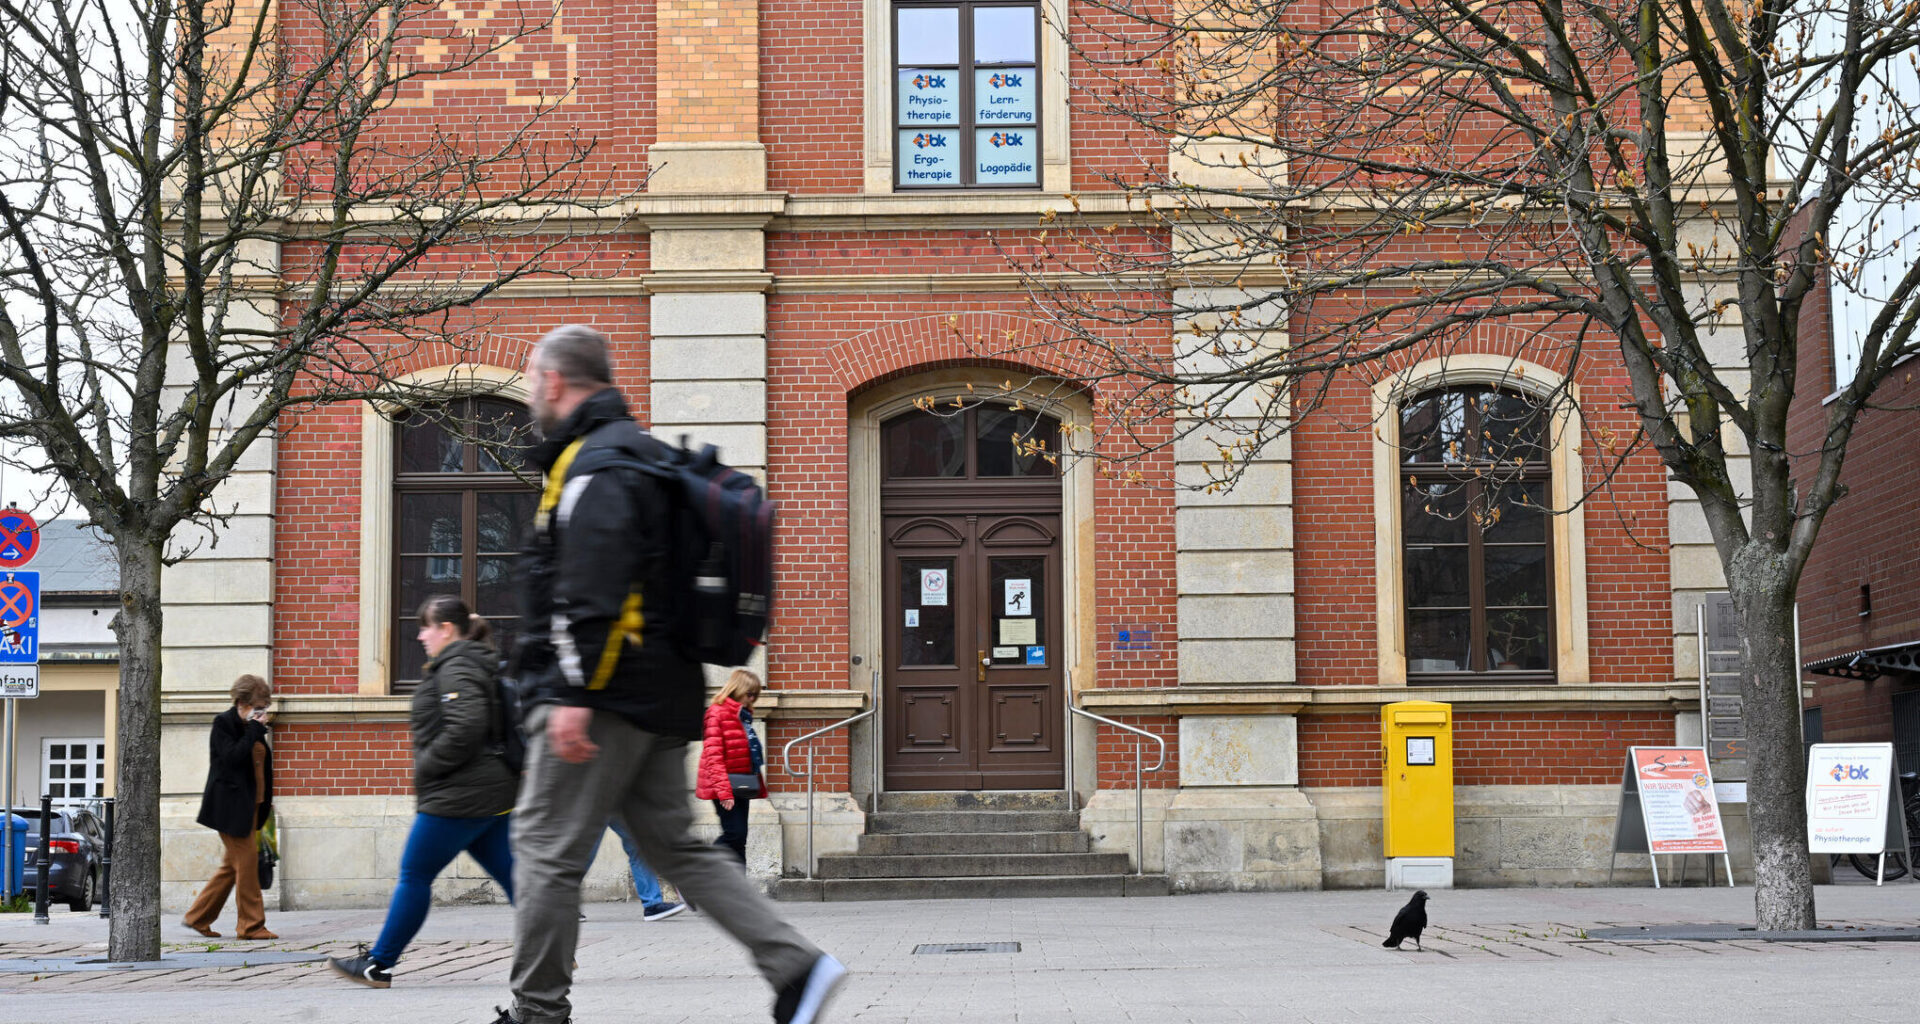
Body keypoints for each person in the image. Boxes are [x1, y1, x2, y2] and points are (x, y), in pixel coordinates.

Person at [493, 325, 845, 1024]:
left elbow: (591, 587)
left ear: (555, 382)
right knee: (677, 846)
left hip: (602, 697)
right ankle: (797, 967)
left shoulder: (595, 466)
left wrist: (569, 692)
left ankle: (537, 1013)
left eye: (533, 382)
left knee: (544, 849)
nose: (531, 396)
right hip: (660, 693)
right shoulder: (641, 455)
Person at [328, 596, 519, 988]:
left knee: (415, 874)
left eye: (426, 626)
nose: (419, 635)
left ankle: (378, 964)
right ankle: (555, 951)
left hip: (458, 795)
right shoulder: (467, 661)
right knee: (516, 878)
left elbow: (466, 725)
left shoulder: (458, 664)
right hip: (486, 792)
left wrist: (428, 765)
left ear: (446, 629)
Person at [183, 674, 278, 940]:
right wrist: (254, 731)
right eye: (256, 709)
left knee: (230, 868)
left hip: (252, 809)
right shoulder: (224, 723)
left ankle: (198, 917)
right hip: (230, 809)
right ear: (240, 702)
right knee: (247, 867)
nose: (260, 714)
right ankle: (251, 926)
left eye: (263, 710)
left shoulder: (253, 729)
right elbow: (231, 759)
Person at [696, 669, 766, 865]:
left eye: (755, 695)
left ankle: (738, 891)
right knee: (734, 835)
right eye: (749, 693)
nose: (752, 699)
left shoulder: (742, 715)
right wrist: (724, 792)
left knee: (739, 840)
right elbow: (713, 754)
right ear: (737, 689)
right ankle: (694, 873)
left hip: (742, 783)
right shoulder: (717, 712)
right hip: (726, 784)